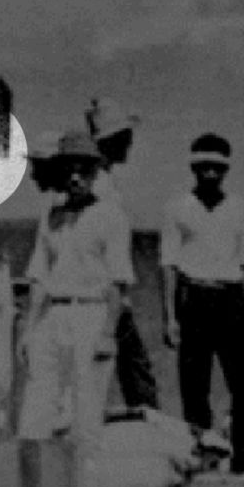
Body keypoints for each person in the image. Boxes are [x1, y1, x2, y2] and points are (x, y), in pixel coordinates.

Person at [18, 130, 135, 487]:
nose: (75, 177)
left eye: (83, 170)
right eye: (69, 169)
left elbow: (119, 283)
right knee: (38, 404)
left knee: (87, 410)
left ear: (94, 172)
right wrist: (27, 330)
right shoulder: (51, 216)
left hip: (91, 312)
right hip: (53, 313)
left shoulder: (111, 216)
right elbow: (38, 275)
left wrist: (107, 334)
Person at [160, 133, 244, 474]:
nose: (211, 174)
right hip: (195, 298)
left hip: (231, 298)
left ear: (226, 170)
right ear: (194, 167)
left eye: (218, 168)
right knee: (195, 383)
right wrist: (170, 317)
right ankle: (201, 454)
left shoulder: (238, 206)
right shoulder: (177, 207)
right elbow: (169, 267)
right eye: (204, 167)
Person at [85, 97, 161, 411]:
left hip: (110, 294)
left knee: (134, 372)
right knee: (135, 373)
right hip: (106, 294)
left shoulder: (103, 181)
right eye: (126, 137)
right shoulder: (99, 184)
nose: (131, 143)